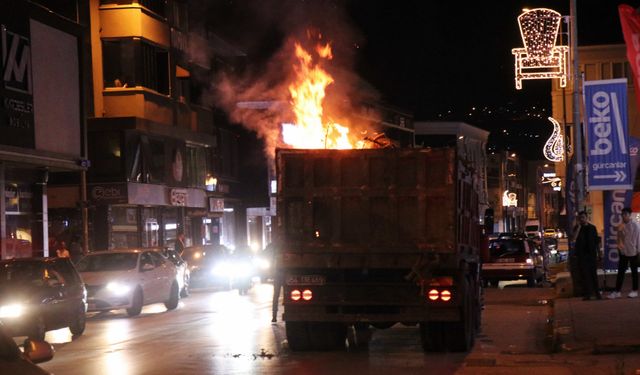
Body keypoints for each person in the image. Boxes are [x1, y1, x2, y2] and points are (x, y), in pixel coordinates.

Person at [608, 207, 640, 299]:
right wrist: (620, 249)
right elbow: (619, 239)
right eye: (622, 214)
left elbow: (638, 239)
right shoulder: (620, 226)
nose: (623, 216)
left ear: (629, 215)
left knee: (634, 272)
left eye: (625, 214)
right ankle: (617, 291)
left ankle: (634, 290)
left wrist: (638, 250)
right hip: (623, 252)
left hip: (633, 251)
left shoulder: (636, 225)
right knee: (621, 272)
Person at [573, 210, 602, 300]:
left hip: (591, 254)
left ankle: (597, 293)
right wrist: (578, 227)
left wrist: (599, 253)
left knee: (593, 274)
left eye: (583, 218)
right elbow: (574, 238)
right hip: (582, 255)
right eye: (580, 218)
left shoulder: (592, 228)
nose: (582, 219)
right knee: (585, 275)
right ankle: (587, 294)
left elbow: (596, 241)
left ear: (586, 218)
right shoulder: (577, 228)